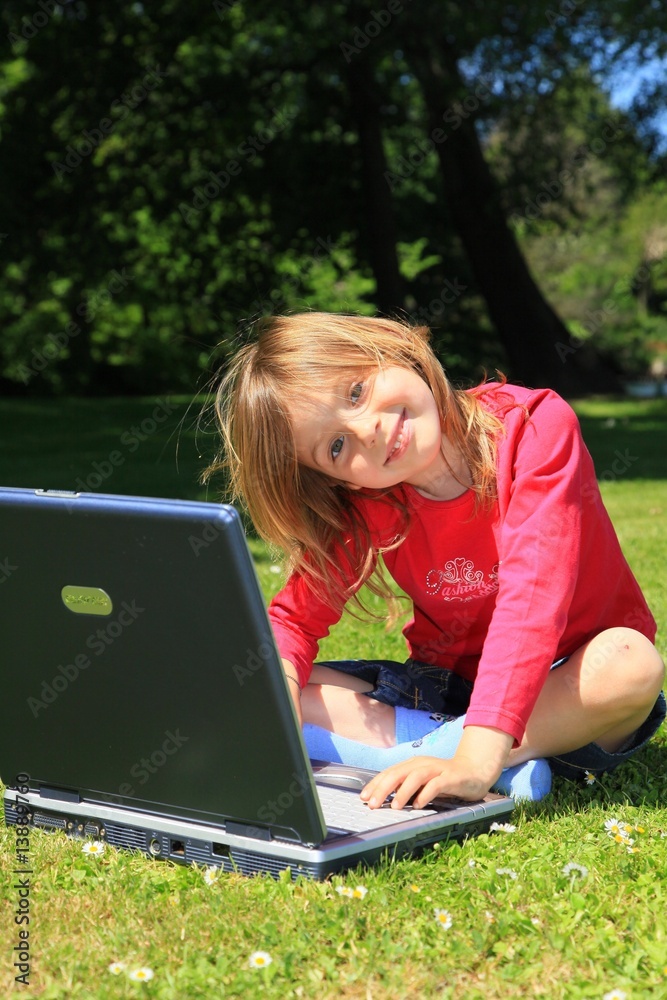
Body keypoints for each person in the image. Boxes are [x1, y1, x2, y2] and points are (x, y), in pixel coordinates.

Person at [204, 312, 665, 809]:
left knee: (630, 661)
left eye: (356, 392)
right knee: (261, 682)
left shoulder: (534, 428)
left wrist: (475, 760)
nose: (367, 431)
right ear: (341, 481)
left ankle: (466, 756)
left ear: (389, 348)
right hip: (448, 690)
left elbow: (531, 603)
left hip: (567, 690)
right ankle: (470, 753)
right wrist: (278, 695)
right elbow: (293, 622)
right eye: (336, 446)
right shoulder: (371, 500)